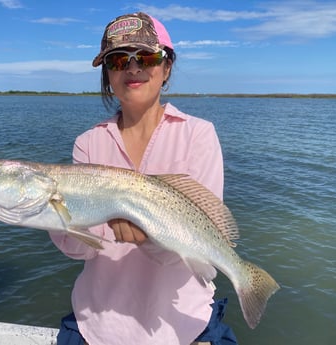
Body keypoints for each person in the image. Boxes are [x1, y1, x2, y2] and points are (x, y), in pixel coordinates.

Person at [50, 12, 238, 345]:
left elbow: (199, 246)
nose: (133, 68)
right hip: (96, 321)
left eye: (147, 57)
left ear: (166, 69)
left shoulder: (198, 135)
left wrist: (149, 235)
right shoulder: (88, 142)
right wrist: (51, 211)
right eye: (119, 59)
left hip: (184, 324)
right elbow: (79, 249)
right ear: (108, 75)